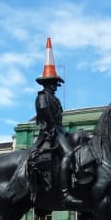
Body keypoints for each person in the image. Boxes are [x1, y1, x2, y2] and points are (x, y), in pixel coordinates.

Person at [35, 38, 81, 206]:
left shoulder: (54, 99)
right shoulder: (42, 98)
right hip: (50, 134)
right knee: (68, 153)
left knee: (79, 140)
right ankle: (64, 192)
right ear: (48, 83)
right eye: (54, 82)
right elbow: (46, 117)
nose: (56, 86)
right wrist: (56, 131)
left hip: (58, 131)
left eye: (56, 83)